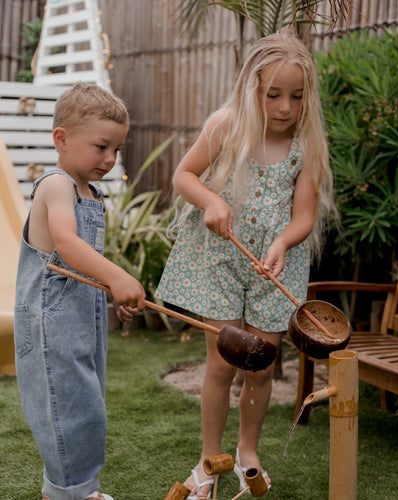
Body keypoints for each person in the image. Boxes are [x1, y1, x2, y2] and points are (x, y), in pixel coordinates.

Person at [155, 30, 337, 499]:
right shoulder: (227, 125)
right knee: (221, 364)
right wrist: (210, 201)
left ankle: (248, 451)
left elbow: (304, 216)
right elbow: (184, 176)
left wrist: (282, 241)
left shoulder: (307, 145)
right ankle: (208, 458)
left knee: (259, 365)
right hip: (220, 258)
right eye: (273, 95)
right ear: (251, 88)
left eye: (296, 97)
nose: (284, 108)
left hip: (276, 266)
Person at [14, 82, 146, 500]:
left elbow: (82, 268)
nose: (110, 159)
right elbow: (67, 244)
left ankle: (75, 489)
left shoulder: (91, 192)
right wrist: (119, 276)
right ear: (62, 139)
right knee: (65, 408)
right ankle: (70, 492)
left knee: (86, 406)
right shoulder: (56, 185)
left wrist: (112, 295)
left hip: (81, 324)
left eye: (117, 150)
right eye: (102, 147)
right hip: (51, 326)